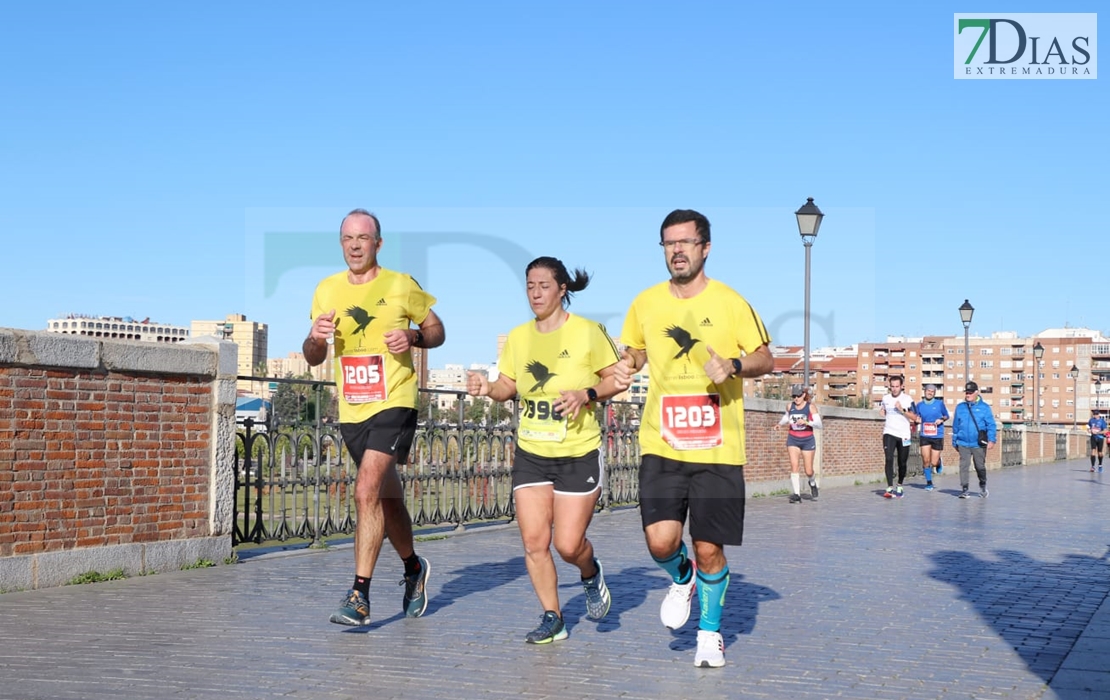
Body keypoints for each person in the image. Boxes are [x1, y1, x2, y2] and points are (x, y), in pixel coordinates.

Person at [620, 209, 773, 668]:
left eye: (686, 243)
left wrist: (735, 365)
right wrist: (626, 362)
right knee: (661, 542)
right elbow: (636, 352)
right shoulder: (645, 302)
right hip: (662, 442)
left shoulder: (731, 302)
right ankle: (681, 577)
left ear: (705, 248)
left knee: (709, 545)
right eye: (669, 244)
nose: (677, 251)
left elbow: (767, 357)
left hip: (717, 446)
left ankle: (710, 633)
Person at [466, 257, 631, 644]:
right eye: (529, 286)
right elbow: (508, 385)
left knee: (568, 544)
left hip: (578, 451)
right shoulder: (519, 337)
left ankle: (589, 572)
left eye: (543, 285)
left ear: (562, 290)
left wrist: (585, 394)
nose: (536, 293)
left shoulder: (589, 333)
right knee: (534, 542)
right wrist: (487, 388)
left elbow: (615, 381)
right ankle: (553, 617)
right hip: (532, 453)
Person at [304, 209, 446, 627]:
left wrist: (414, 336)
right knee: (386, 497)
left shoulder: (401, 285)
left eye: (363, 238)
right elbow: (314, 357)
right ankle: (413, 568)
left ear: (377, 244)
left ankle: (359, 596)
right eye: (347, 238)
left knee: (366, 488)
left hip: (396, 401)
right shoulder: (326, 289)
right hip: (353, 407)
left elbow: (437, 329)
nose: (354, 245)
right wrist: (314, 337)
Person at [774, 384, 822, 502]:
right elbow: (786, 417)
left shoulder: (811, 407)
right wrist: (780, 424)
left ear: (804, 395)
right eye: (794, 396)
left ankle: (812, 482)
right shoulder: (790, 406)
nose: (796, 398)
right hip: (793, 439)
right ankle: (796, 495)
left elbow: (819, 425)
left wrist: (806, 422)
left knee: (808, 470)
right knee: (794, 466)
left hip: (807, 440)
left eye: (799, 396)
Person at [951, 381, 997, 499]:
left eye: (970, 392)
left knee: (979, 466)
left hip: (978, 443)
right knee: (963, 466)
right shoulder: (960, 407)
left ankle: (982, 485)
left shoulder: (984, 408)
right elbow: (956, 425)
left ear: (977, 392)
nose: (968, 394)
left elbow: (991, 425)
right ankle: (964, 489)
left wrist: (991, 440)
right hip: (963, 442)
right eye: (966, 392)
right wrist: (954, 440)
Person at [879, 375, 916, 498]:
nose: (894, 389)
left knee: (902, 462)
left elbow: (916, 417)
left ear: (901, 386)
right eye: (892, 387)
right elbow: (883, 409)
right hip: (889, 432)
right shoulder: (885, 398)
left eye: (897, 386)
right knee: (889, 459)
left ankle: (899, 485)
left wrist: (902, 410)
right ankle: (889, 487)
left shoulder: (907, 399)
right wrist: (882, 411)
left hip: (904, 434)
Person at [914, 384, 950, 491]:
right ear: (924, 391)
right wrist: (917, 420)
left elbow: (946, 415)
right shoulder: (919, 405)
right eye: (928, 391)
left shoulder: (939, 404)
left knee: (933, 462)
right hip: (924, 435)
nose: (930, 393)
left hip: (937, 435)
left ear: (934, 393)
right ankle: (929, 483)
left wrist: (941, 420)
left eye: (932, 391)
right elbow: (916, 417)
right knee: (925, 460)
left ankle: (938, 462)